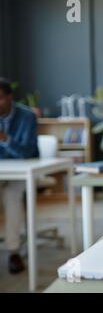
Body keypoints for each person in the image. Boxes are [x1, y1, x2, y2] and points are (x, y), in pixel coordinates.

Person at [0, 77, 39, 273]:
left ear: (9, 97)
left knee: (11, 195)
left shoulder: (28, 117)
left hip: (24, 174)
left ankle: (13, 251)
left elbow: (25, 152)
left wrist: (5, 139)